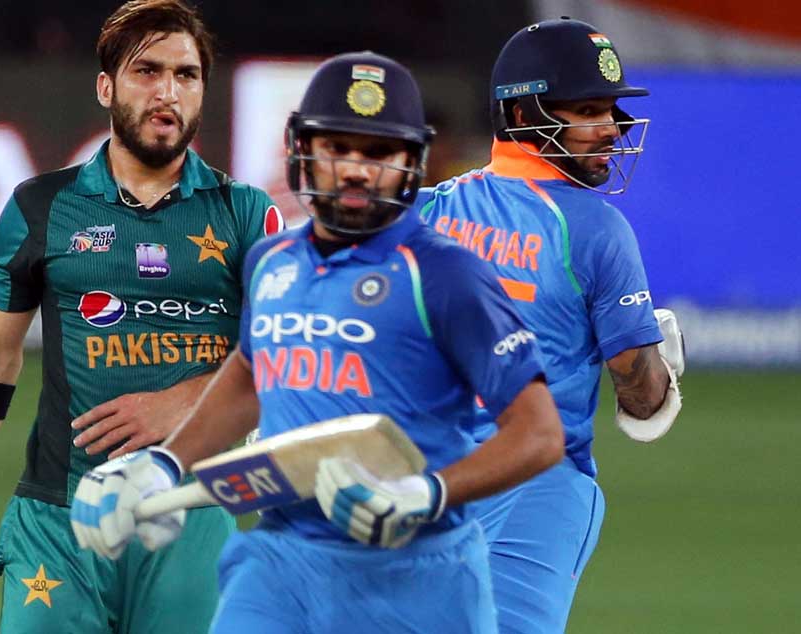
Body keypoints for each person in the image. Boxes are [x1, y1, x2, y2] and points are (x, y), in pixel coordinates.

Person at [70, 50, 565, 634]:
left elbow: (539, 433)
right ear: (303, 148)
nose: (355, 170)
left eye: (378, 152)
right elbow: (253, 374)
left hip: (417, 574)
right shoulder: (271, 260)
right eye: (337, 148)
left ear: (412, 161)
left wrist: (425, 493)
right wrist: (164, 464)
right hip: (281, 564)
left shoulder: (446, 274)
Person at [0, 1, 282, 632]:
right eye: (147, 71)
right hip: (59, 519)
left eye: (186, 75)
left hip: (192, 513)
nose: (168, 92)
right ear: (106, 87)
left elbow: (283, 358)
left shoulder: (246, 213)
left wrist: (182, 401)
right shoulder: (42, 207)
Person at [416, 17, 686, 634]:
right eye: (588, 110)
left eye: (610, 110)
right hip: (537, 484)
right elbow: (641, 398)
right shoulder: (595, 228)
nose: (611, 128)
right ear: (523, 113)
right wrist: (662, 368)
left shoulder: (430, 210)